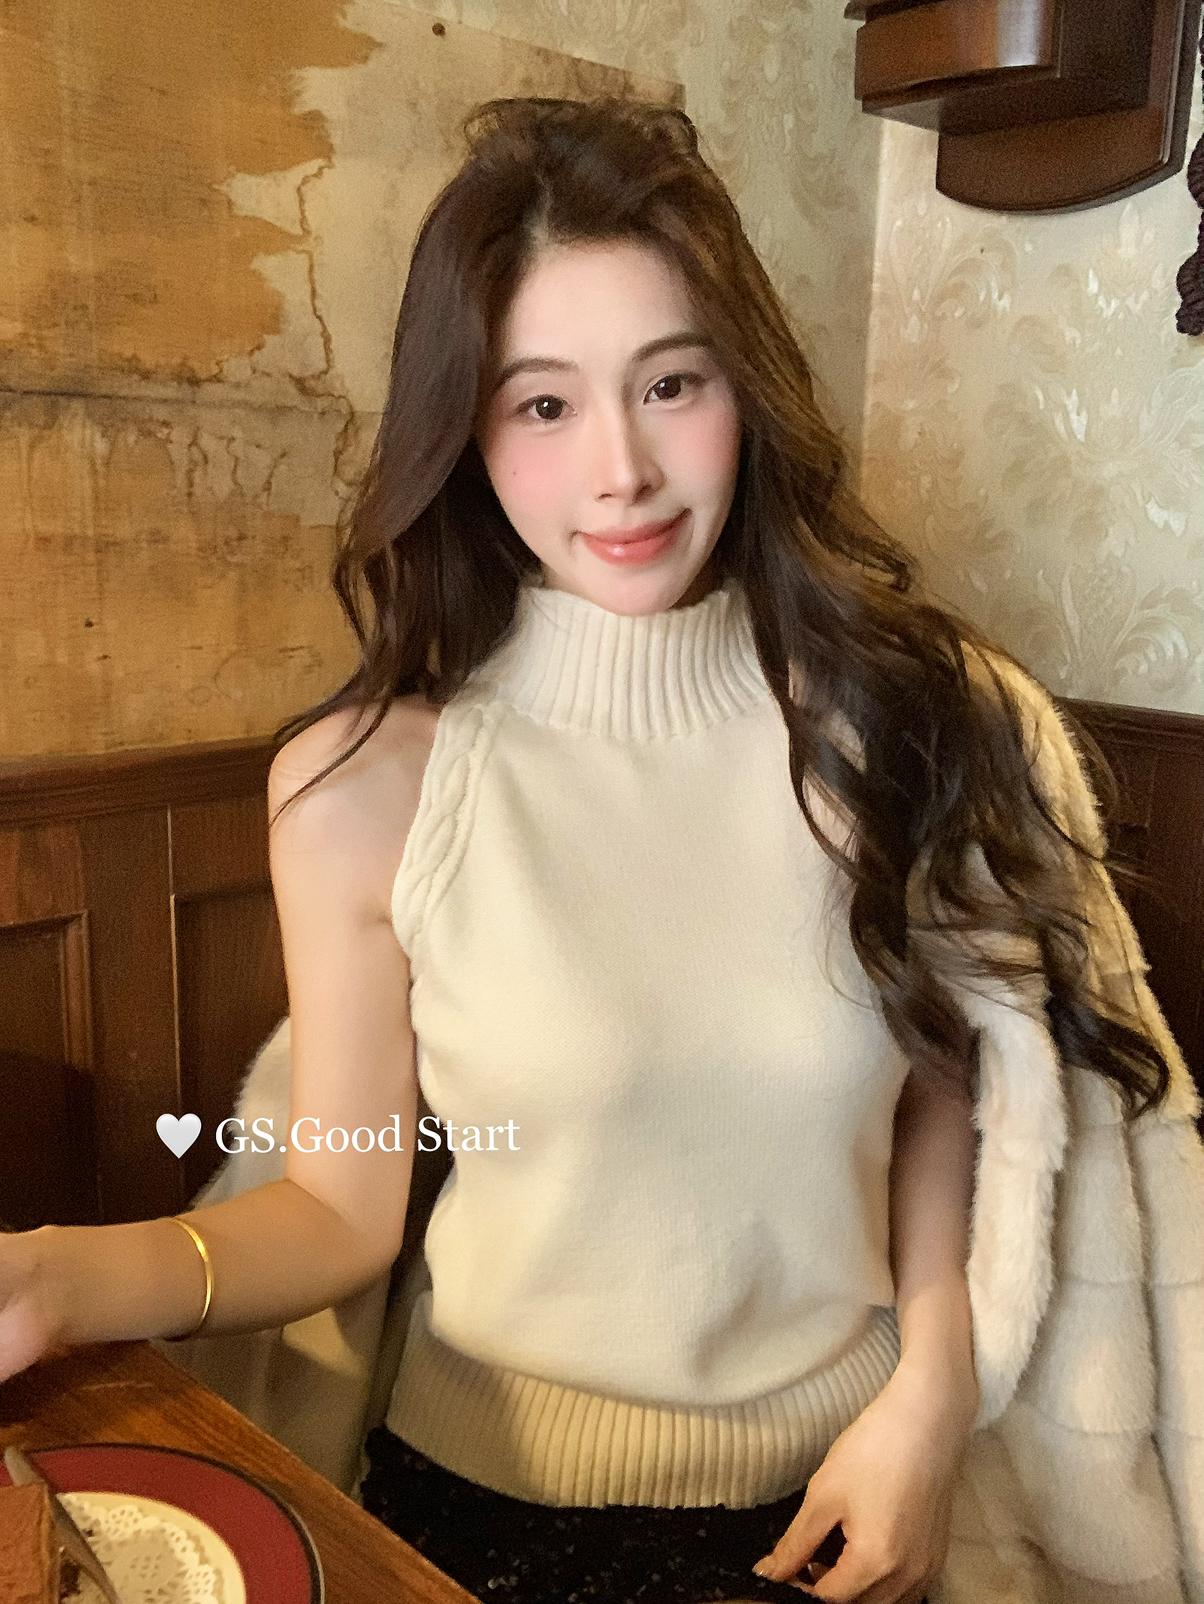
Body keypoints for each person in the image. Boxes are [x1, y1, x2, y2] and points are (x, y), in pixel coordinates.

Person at [1, 96, 1200, 1604]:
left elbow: (940, 1089)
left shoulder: (900, 721)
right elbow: (340, 1208)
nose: (621, 470)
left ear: (747, 392)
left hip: (850, 1496)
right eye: (543, 405)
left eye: (671, 384)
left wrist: (932, 1390)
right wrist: (61, 1274)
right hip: (486, 1515)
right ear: (464, 433)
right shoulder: (365, 788)